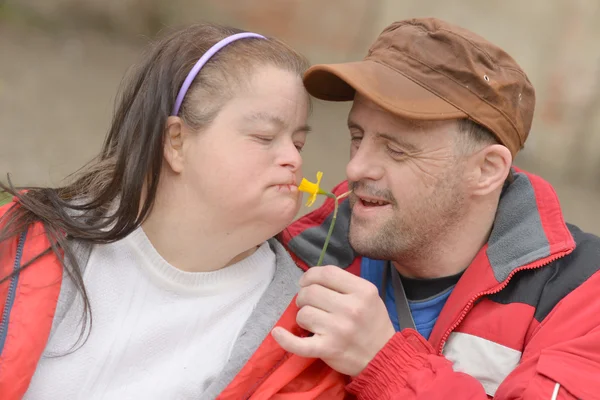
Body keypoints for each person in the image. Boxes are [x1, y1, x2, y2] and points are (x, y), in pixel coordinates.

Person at [0, 23, 348, 400]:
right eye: (265, 137)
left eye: (298, 142)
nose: (293, 158)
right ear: (176, 142)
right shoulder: (23, 236)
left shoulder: (303, 341)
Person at [274, 18, 600, 399]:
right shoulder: (304, 251)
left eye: (396, 149)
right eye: (357, 137)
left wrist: (385, 362)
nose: (356, 168)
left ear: (486, 170)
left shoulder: (582, 293)